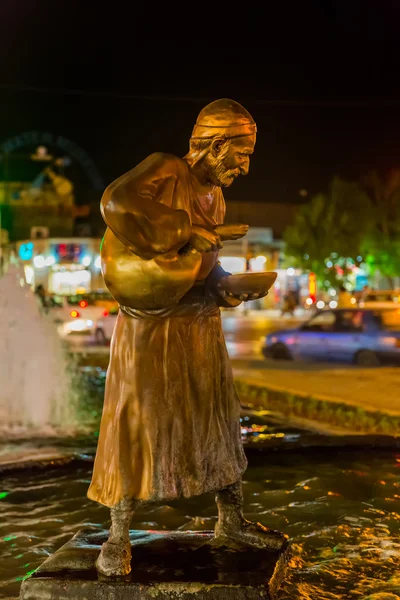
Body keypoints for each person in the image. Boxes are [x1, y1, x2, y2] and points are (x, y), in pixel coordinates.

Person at [87, 99, 286, 577]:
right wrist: (188, 231)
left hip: (198, 324)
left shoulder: (216, 197)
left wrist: (227, 286)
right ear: (216, 145)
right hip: (151, 327)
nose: (245, 165)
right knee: (139, 420)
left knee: (216, 415)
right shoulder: (166, 168)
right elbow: (117, 202)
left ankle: (230, 519)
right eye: (241, 154)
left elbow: (204, 265)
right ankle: (118, 533)